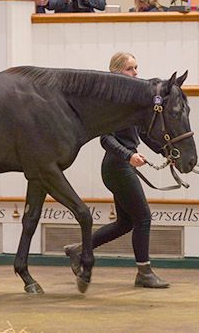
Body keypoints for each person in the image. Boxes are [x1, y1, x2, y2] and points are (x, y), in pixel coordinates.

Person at [64, 52, 170, 289]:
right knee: (143, 218)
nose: (135, 73)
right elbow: (105, 139)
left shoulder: (129, 103)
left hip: (120, 166)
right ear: (116, 73)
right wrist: (129, 155)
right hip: (117, 166)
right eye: (130, 69)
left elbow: (143, 133)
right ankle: (144, 272)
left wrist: (166, 153)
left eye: (136, 68)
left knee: (125, 223)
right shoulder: (111, 104)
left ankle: (78, 249)